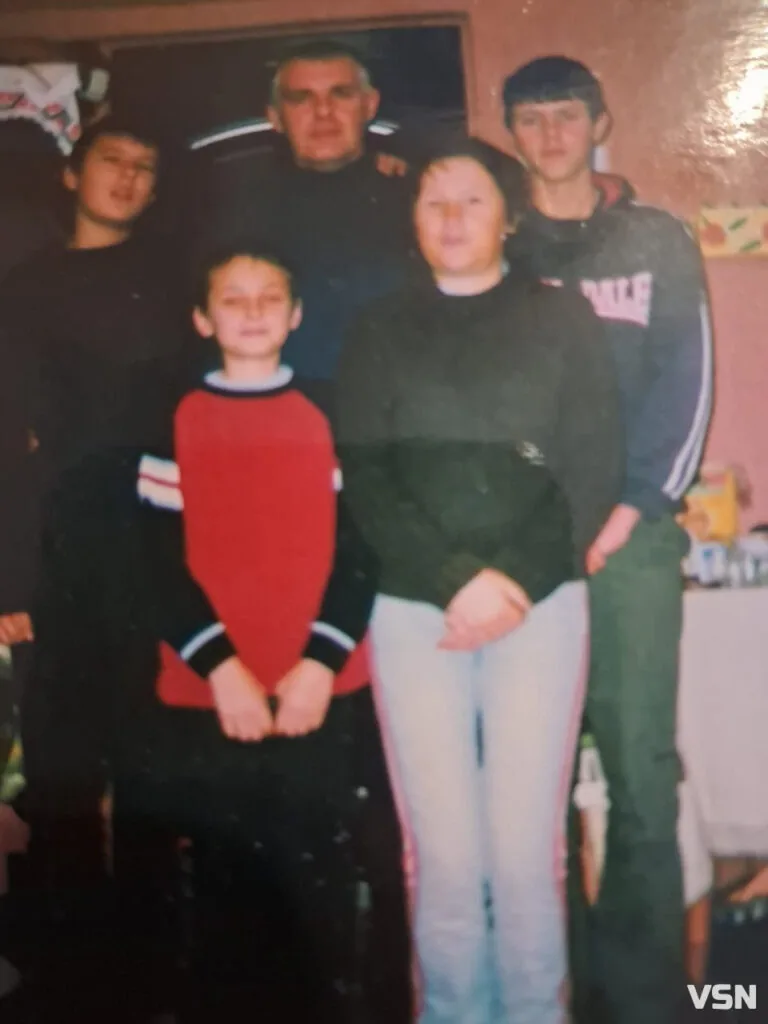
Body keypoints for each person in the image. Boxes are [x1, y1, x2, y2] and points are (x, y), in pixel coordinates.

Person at [335, 139, 622, 1024]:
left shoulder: (562, 318)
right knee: (444, 856)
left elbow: (590, 468)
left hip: (541, 608)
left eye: (472, 200)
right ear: (412, 220)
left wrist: (513, 584)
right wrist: (457, 582)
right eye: (433, 201)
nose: (452, 219)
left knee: (526, 852)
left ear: (509, 217)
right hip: (415, 612)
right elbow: (366, 480)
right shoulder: (378, 328)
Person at [502, 56, 713, 1024]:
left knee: (639, 769)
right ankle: (560, 990)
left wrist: (629, 511)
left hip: (632, 545)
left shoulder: (656, 237)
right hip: (526, 548)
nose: (550, 133)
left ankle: (645, 1001)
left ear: (599, 122)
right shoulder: (501, 240)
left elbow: (686, 384)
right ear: (512, 133)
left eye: (566, 114)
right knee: (534, 777)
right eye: (530, 118)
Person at [133, 242, 390, 1023]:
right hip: (212, 692)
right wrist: (220, 668)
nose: (252, 311)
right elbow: (154, 560)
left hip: (319, 688)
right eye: (232, 298)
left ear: (297, 314)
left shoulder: (331, 411)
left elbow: (363, 546)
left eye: (269, 296)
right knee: (226, 890)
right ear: (202, 319)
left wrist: (320, 663)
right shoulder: (174, 418)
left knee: (320, 882)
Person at [0, 114, 211, 1022]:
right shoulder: (23, 289)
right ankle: (70, 983)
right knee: (60, 774)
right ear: (71, 175)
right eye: (111, 161)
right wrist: (9, 579)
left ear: (157, 189)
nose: (126, 178)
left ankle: (154, 978)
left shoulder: (177, 285)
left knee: (153, 767)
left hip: (153, 550)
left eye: (144, 167)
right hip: (50, 558)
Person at [202, 38, 417, 382]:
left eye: (341, 94)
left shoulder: (418, 198)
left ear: (370, 105)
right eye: (301, 98)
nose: (323, 112)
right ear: (275, 116)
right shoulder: (236, 210)